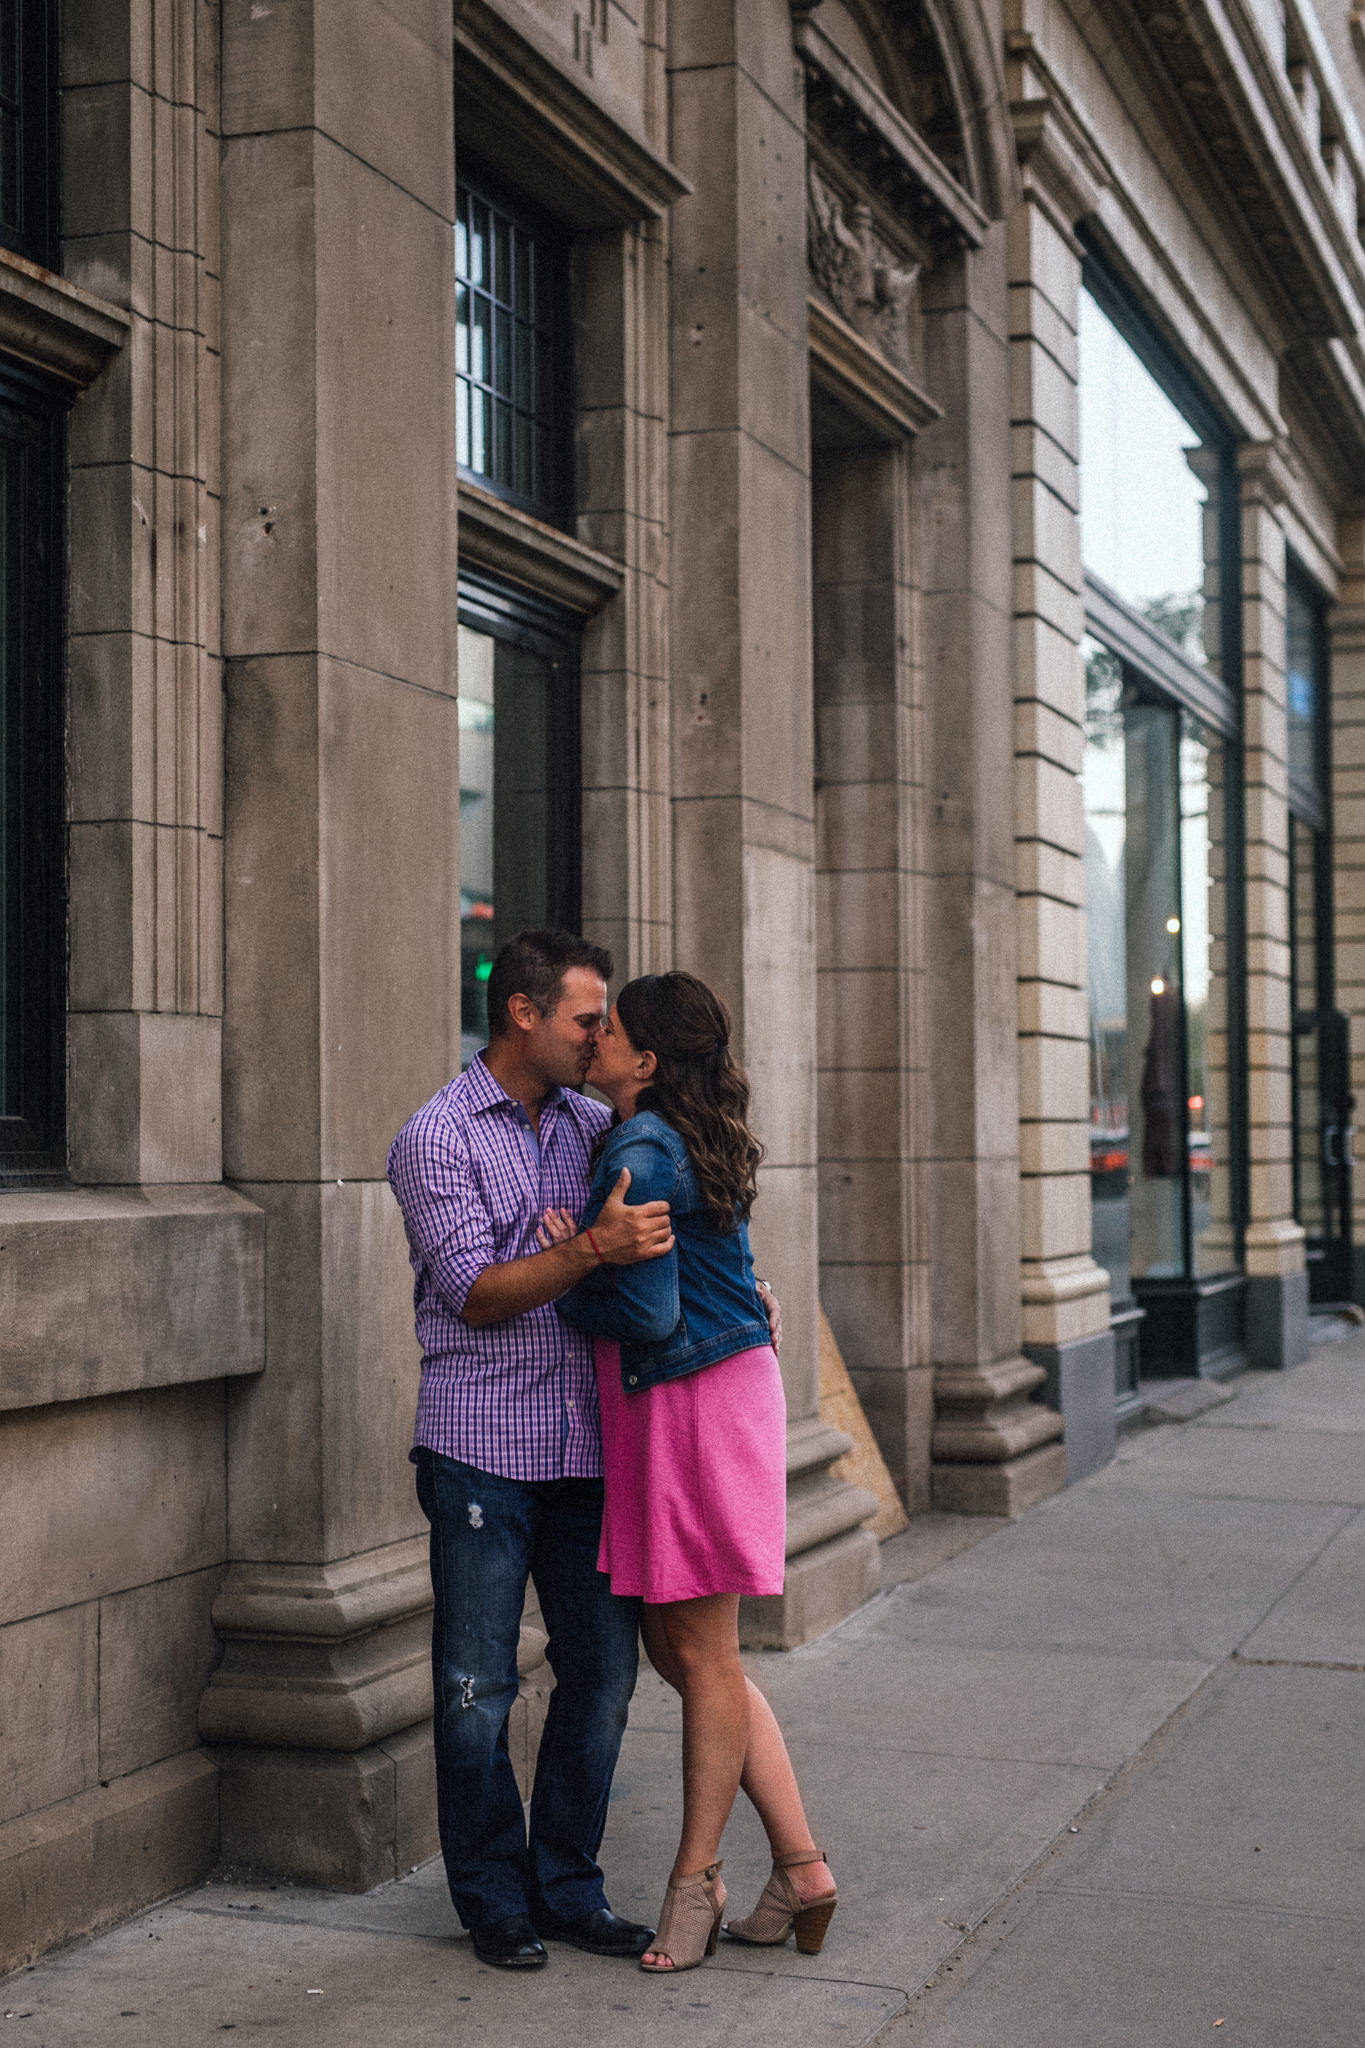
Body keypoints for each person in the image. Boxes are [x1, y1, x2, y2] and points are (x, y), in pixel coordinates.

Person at [386, 930, 674, 1971]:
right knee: (477, 1686)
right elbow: (474, 1291)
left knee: (600, 1673)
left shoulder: (601, 1126)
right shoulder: (437, 1136)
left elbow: (672, 1234)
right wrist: (585, 1247)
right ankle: (493, 1898)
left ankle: (567, 1885)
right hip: (479, 1449)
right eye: (587, 1018)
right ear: (522, 1013)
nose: (604, 1037)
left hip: (591, 1448)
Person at [543, 971, 837, 1974]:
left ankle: (694, 1880)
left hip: (691, 1398)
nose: (596, 1040)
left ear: (648, 1060)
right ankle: (799, 1865)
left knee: (703, 1653)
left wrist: (571, 1271)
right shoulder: (677, 1128)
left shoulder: (638, 1145)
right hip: (705, 1394)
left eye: (611, 1029)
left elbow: (647, 1311)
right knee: (684, 1649)